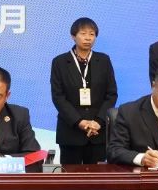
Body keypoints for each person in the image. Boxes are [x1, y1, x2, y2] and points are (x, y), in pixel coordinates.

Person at [50, 17, 118, 164]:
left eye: (92, 34)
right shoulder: (59, 62)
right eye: (83, 33)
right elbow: (58, 97)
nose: (88, 38)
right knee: (70, 176)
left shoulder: (104, 60)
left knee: (97, 176)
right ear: (73, 36)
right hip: (70, 132)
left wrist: (99, 121)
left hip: (97, 132)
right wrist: (79, 122)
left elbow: (111, 94)